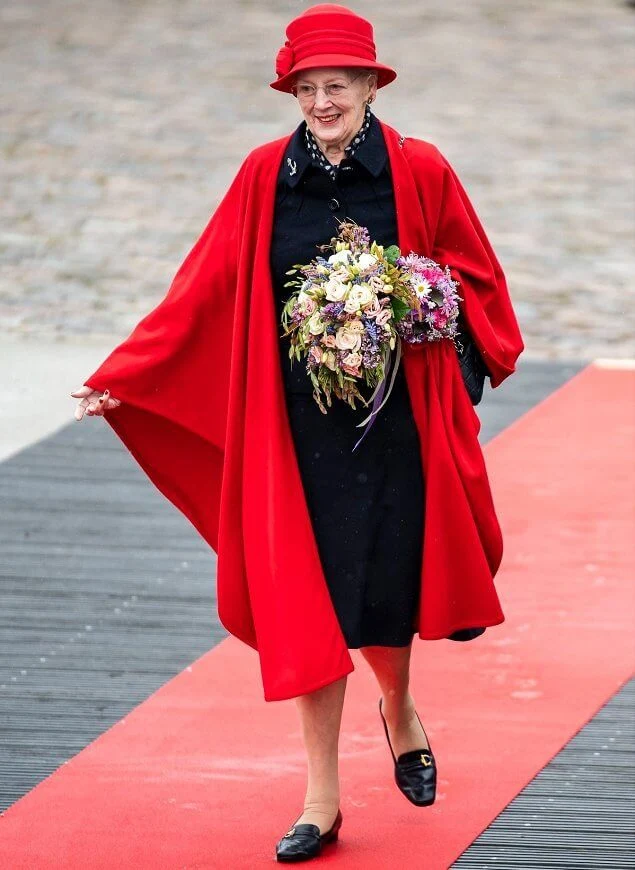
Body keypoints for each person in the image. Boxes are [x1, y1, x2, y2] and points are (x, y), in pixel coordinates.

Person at [71, 4, 524, 862]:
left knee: (385, 590)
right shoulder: (259, 176)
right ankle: (321, 798)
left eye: (337, 85)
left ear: (369, 85)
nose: (321, 101)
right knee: (303, 604)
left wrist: (429, 320)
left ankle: (399, 708)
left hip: (394, 423)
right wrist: (123, 375)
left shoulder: (419, 170)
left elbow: (473, 276)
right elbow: (203, 284)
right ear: (293, 92)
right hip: (297, 428)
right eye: (307, 88)